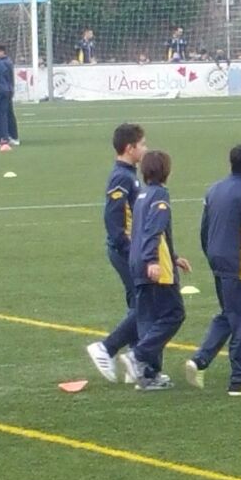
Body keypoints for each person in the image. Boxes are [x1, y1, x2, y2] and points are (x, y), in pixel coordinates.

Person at [186, 145, 241, 395]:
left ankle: (200, 360)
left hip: (217, 258)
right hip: (237, 261)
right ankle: (239, 381)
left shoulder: (214, 189)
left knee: (228, 314)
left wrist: (211, 254)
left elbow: (204, 229)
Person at [85, 124, 148, 385]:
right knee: (146, 305)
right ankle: (106, 348)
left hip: (130, 249)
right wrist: (129, 249)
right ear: (130, 148)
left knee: (138, 304)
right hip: (126, 251)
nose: (145, 148)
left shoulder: (130, 174)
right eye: (142, 144)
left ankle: (136, 363)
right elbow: (113, 218)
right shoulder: (122, 177)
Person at [127, 150, 191, 391]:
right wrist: (154, 260)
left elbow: (143, 231)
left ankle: (148, 375)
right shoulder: (160, 195)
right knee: (174, 314)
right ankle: (138, 355)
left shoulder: (142, 195)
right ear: (167, 171)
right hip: (154, 266)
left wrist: (173, 257)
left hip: (137, 262)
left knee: (149, 318)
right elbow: (154, 229)